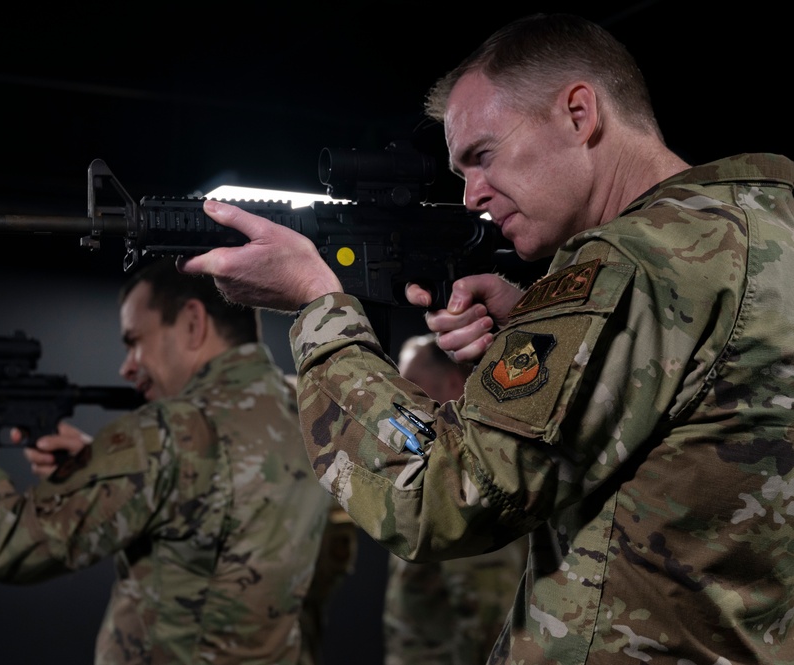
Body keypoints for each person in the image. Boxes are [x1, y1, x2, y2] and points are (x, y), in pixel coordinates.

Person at [176, 12, 794, 664]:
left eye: (482, 155)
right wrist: (545, 316)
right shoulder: (764, 223)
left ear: (578, 113)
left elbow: (439, 496)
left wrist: (318, 310)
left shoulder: (629, 264)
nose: (470, 194)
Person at [0, 257, 333, 665]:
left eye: (134, 340)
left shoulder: (167, 432)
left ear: (192, 322)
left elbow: (7, 544)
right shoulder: (309, 410)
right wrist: (109, 469)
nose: (126, 366)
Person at [383, 334, 526, 665]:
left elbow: (486, 620)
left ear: (450, 384)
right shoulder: (434, 471)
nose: (401, 400)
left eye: (412, 386)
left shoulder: (465, 481)